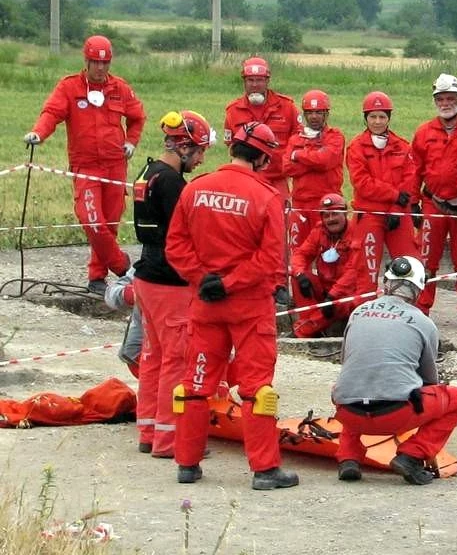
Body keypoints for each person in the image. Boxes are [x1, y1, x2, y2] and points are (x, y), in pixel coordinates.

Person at [165, 121, 298, 490]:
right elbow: (271, 260)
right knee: (257, 388)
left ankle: (187, 464)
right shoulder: (266, 197)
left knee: (195, 384)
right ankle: (265, 470)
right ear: (261, 157)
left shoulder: (196, 189)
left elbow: (175, 246)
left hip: (205, 305)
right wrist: (229, 283)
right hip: (250, 307)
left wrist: (203, 280)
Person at [330, 256, 457, 484]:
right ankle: (412, 455)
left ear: (386, 282)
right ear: (419, 288)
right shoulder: (423, 323)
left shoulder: (357, 313)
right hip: (394, 414)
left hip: (349, 412)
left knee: (353, 383)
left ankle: (348, 458)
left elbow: (348, 363)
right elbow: (429, 381)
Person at [25, 34, 146, 294]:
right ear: (86, 61)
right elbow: (52, 113)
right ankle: (124, 267)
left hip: (115, 165)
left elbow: (137, 117)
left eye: (105, 63)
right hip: (86, 166)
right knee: (92, 220)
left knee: (110, 224)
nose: (101, 68)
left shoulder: (121, 88)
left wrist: (132, 141)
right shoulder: (69, 87)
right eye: (95, 62)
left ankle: (96, 279)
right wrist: (38, 133)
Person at [131, 110, 212, 458]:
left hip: (146, 278)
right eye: (198, 152)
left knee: (152, 357)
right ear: (183, 147)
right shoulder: (172, 184)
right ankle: (169, 439)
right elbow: (184, 234)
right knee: (175, 362)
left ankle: (148, 430)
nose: (201, 159)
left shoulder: (147, 173)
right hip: (170, 283)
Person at [411, 73, 457, 324]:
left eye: (450, 98)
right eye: (440, 98)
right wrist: (412, 204)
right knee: (426, 260)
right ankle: (421, 309)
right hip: (433, 203)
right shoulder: (423, 132)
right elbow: (414, 170)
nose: (445, 103)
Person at [346, 91, 420, 284]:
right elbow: (362, 183)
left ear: (389, 118)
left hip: (398, 214)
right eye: (372, 116)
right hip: (369, 215)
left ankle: (415, 312)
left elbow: (409, 179)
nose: (377, 122)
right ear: (365, 118)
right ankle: (364, 311)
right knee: (365, 271)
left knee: (410, 267)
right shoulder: (356, 148)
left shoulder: (402, 147)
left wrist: (396, 208)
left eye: (382, 117)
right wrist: (394, 195)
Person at [289, 193, 372, 338]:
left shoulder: (357, 233)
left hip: (345, 293)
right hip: (325, 289)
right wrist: (300, 273)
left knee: (345, 303)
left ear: (345, 213)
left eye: (335, 214)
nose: (331, 219)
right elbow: (300, 254)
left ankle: (303, 331)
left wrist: (334, 295)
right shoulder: (319, 231)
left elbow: (354, 271)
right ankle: (312, 326)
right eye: (326, 215)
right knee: (299, 280)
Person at [223, 56, 298, 200]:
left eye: (259, 80)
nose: (255, 85)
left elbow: (298, 140)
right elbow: (230, 145)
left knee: (280, 218)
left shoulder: (287, 107)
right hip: (245, 179)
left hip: (277, 180)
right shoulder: (233, 110)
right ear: (244, 82)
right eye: (250, 80)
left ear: (267, 81)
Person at [281, 89, 345, 253]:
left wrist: (299, 155)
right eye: (310, 112)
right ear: (304, 114)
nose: (314, 116)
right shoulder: (295, 138)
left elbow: (326, 161)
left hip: (327, 205)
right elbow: (286, 167)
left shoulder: (335, 136)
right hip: (300, 204)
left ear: (326, 114)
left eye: (318, 112)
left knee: (329, 255)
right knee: (297, 251)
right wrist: (314, 160)